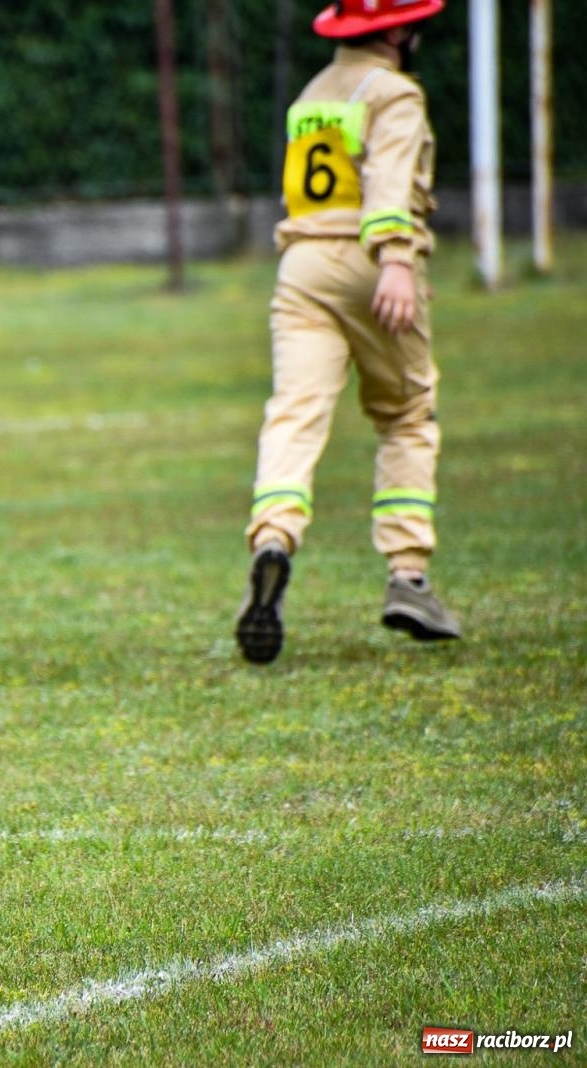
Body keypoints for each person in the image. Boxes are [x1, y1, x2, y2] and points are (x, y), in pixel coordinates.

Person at [237, 0, 460, 665]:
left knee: (294, 413)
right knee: (406, 413)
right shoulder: (393, 92)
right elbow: (388, 178)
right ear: (396, 28)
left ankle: (274, 537)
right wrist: (395, 257)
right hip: (369, 263)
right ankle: (408, 574)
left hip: (301, 266)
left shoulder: (312, 94)